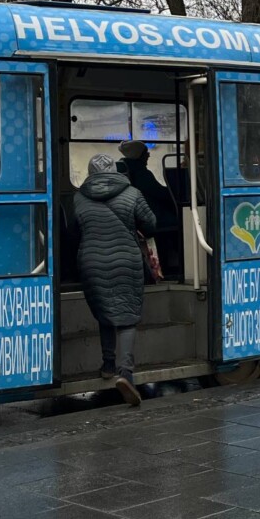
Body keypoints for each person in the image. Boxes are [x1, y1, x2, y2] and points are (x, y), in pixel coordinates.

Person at [73, 153, 156, 407]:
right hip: (125, 260)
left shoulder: (78, 197)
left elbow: (75, 229)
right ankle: (126, 374)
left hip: (92, 262)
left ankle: (108, 365)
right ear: (115, 170)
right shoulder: (132, 193)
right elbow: (151, 224)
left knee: (105, 311)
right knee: (127, 318)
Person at [118, 140, 179, 278]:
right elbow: (159, 193)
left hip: (136, 214)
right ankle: (172, 267)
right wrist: (174, 193)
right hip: (153, 214)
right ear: (138, 155)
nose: (149, 156)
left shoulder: (124, 170)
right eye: (146, 153)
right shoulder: (141, 173)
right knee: (178, 222)